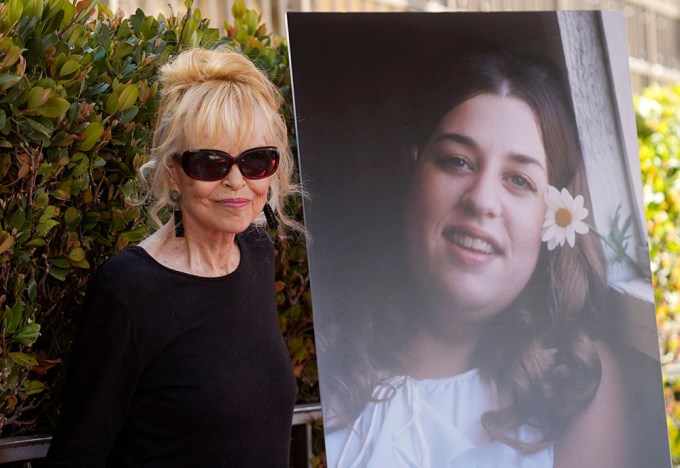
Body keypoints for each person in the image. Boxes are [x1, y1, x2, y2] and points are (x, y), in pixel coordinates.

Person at [322, 48, 628, 467]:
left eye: (519, 180)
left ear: (553, 217)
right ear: (415, 171)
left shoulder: (575, 384)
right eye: (457, 161)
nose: (482, 199)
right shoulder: (322, 342)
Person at [44, 47, 300, 467]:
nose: (237, 180)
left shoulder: (256, 252)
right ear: (171, 171)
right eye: (210, 163)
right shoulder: (129, 290)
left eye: (256, 160)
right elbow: (78, 454)